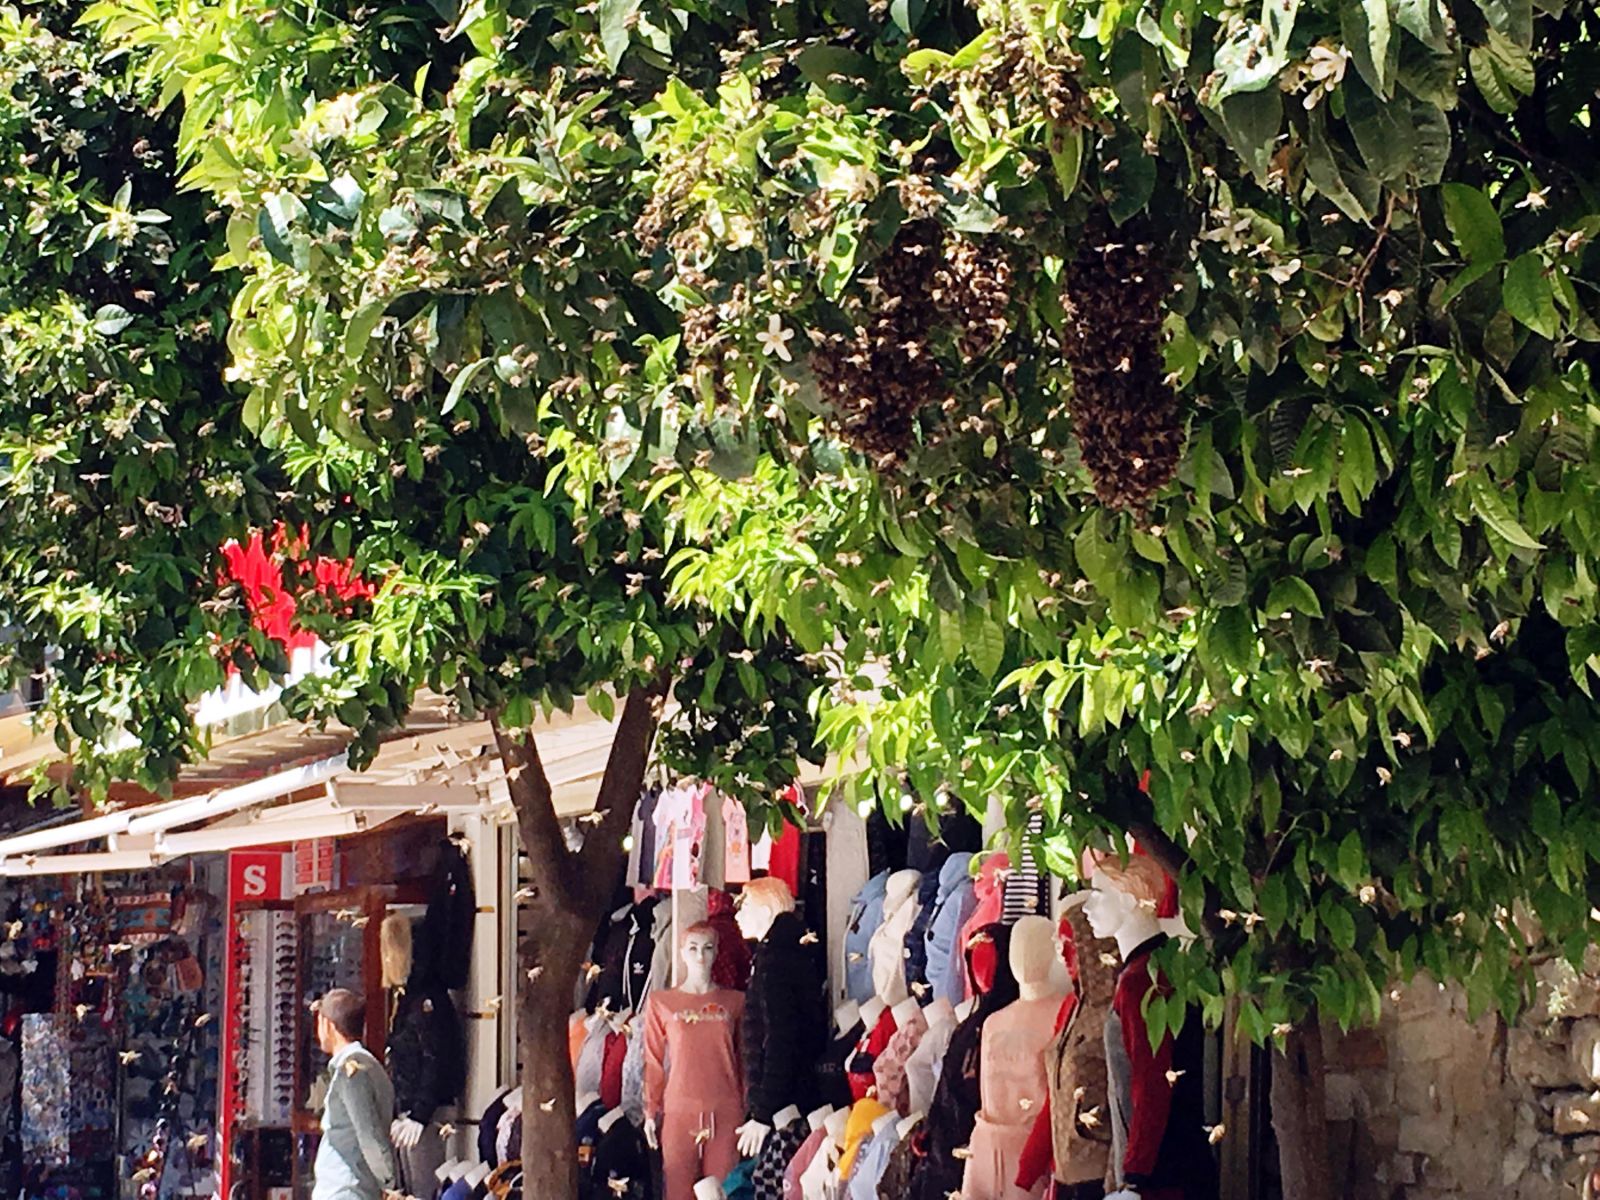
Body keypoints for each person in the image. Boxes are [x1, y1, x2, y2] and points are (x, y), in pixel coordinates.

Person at [312, 988, 399, 1200]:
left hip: (347, 1190)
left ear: (328, 1025)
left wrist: (390, 1183)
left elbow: (368, 1133)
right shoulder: (362, 1064)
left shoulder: (352, 1070)